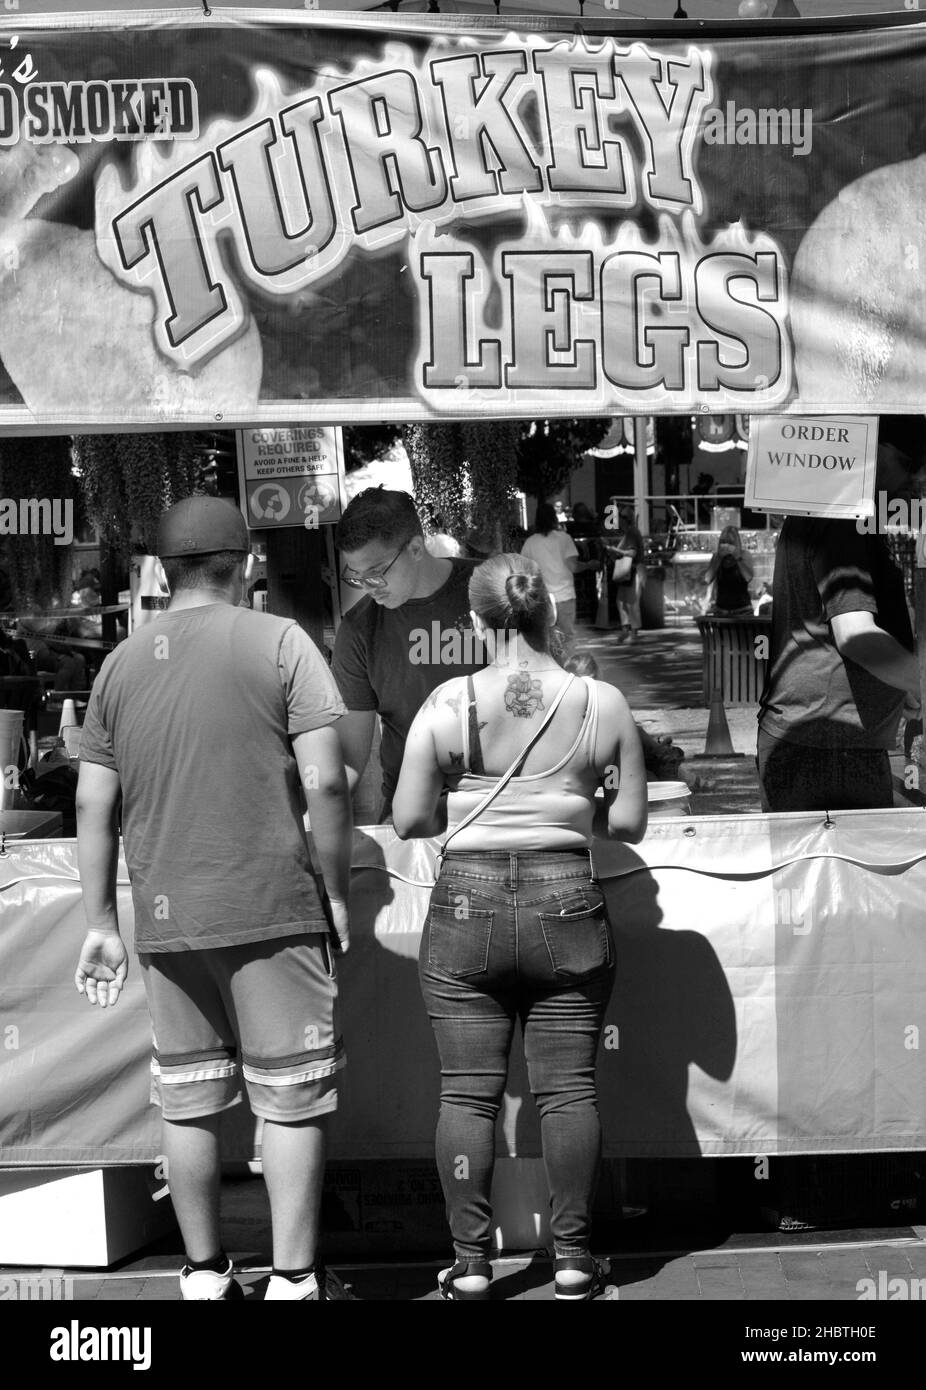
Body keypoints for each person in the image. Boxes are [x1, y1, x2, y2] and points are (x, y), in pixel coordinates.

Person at [74, 496, 357, 1302]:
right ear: (248, 565)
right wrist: (336, 890)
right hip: (274, 907)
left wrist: (100, 923)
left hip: (169, 916)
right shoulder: (281, 642)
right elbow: (326, 782)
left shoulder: (121, 664)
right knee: (291, 1098)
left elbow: (93, 801)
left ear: (161, 572)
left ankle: (203, 1274)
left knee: (188, 1098)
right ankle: (294, 1281)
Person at [392, 554, 647, 1302]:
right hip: (568, 900)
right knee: (568, 1091)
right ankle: (572, 1260)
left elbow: (409, 819)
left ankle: (471, 1266)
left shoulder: (446, 704)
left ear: (475, 621)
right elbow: (629, 822)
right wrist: (574, 804)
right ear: (551, 614)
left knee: (467, 1094)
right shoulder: (602, 703)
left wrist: (464, 797)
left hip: (464, 905)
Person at [757, 414, 926, 812]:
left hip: (826, 741)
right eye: (908, 464)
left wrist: (900, 683)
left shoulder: (830, 510)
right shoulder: (841, 518)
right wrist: (917, 682)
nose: (915, 480)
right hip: (830, 746)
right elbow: (855, 635)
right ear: (874, 449)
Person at [331, 487, 485, 822]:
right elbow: (349, 762)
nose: (368, 587)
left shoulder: (492, 590)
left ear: (415, 548)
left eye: (376, 572)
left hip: (502, 802)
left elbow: (545, 696)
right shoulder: (359, 629)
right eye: (356, 576)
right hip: (413, 809)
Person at [521, 502, 600, 659]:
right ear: (554, 518)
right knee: (567, 637)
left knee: (545, 639)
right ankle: (568, 669)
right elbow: (573, 567)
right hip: (565, 595)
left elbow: (524, 571)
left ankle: (550, 669)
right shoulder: (564, 539)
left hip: (543, 599)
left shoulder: (530, 543)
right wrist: (589, 565)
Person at [605, 505, 645, 644]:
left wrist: (615, 550)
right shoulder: (629, 532)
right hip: (627, 571)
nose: (619, 520)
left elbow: (632, 553)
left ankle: (633, 632)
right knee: (622, 601)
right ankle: (626, 629)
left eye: (621, 517)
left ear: (626, 519)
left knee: (630, 602)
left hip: (632, 570)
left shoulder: (632, 533)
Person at [703, 525, 754, 617]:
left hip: (743, 609)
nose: (726, 545)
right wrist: (719, 558)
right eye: (723, 542)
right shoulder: (717, 557)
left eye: (730, 542)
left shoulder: (744, 555)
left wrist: (737, 557)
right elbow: (707, 579)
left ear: (736, 543)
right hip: (721, 610)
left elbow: (748, 577)